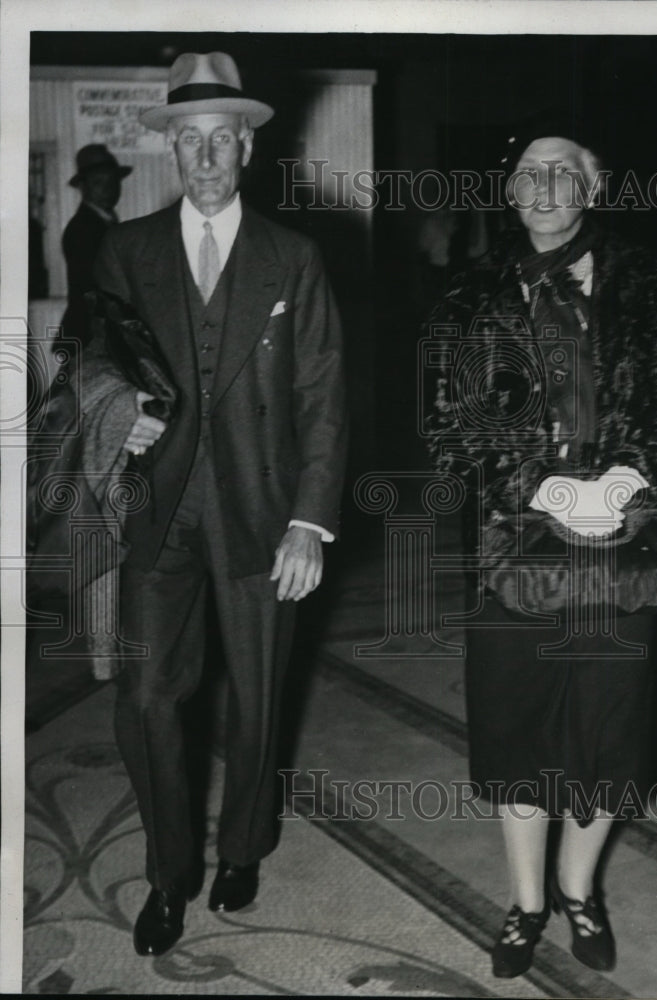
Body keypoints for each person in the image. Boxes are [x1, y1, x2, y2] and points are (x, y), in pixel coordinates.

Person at [426, 134, 657, 978]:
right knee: (516, 726)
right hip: (513, 540)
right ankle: (525, 901)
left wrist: (628, 477)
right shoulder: (469, 295)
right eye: (528, 174)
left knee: (606, 729)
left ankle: (579, 888)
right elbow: (449, 425)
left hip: (625, 541)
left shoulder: (652, 282)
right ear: (510, 192)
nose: (544, 187)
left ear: (595, 186)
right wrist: (545, 487)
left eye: (564, 172)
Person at [81, 51, 347, 957]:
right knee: (148, 696)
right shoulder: (126, 250)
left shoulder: (295, 256)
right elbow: (89, 367)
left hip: (264, 514)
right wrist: (122, 417)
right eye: (188, 142)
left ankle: (244, 848)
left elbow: (322, 393)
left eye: (219, 142)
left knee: (257, 698)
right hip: (159, 514)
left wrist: (311, 520)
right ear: (171, 152)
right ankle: (167, 874)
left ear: (246, 150)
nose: (203, 159)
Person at [61, 144, 133, 346]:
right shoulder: (82, 229)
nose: (108, 187)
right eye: (98, 182)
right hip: (90, 334)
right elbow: (94, 289)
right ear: (83, 187)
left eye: (112, 180)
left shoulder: (104, 222)